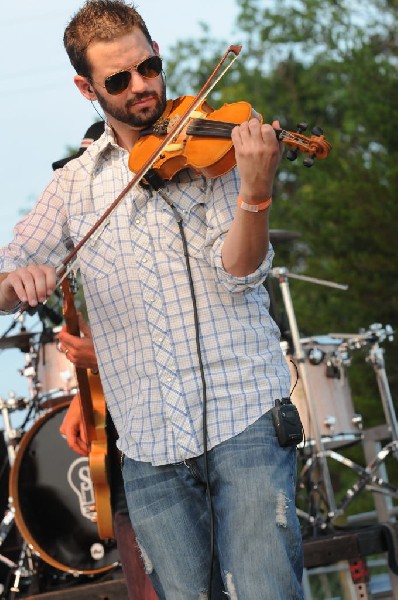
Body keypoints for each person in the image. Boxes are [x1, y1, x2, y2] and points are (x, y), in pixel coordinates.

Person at [0, 1, 304, 597]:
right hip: (150, 443)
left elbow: (240, 273)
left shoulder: (216, 146)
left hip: (245, 416)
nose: (143, 87)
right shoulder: (74, 185)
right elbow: (8, 270)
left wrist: (257, 192)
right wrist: (16, 282)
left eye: (149, 67)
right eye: (119, 80)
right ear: (86, 87)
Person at [52, 123, 158, 600]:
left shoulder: (159, 240)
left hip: (175, 451)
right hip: (124, 453)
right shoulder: (90, 250)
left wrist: (104, 357)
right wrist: (87, 394)